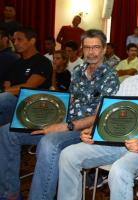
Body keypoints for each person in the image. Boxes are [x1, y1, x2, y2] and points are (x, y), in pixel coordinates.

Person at [0, 29, 119, 200]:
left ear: (104, 49)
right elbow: (69, 100)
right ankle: (9, 194)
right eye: (87, 47)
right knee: (7, 132)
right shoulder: (78, 70)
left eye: (96, 47)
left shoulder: (110, 76)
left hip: (83, 130)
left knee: (49, 143)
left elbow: (100, 115)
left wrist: (66, 126)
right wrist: (47, 116)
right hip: (63, 122)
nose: (91, 52)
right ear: (82, 49)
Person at [57, 40, 138, 200]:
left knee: (119, 171)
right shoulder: (128, 83)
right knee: (68, 155)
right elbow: (111, 113)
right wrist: (94, 131)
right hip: (115, 140)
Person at [0, 27, 52, 126]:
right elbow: (7, 85)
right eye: (14, 40)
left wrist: (5, 91)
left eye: (19, 39)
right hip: (12, 105)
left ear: (32, 41)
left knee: (5, 97)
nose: (15, 43)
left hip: (33, 106)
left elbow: (29, 87)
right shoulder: (16, 63)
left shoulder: (42, 62)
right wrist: (6, 91)